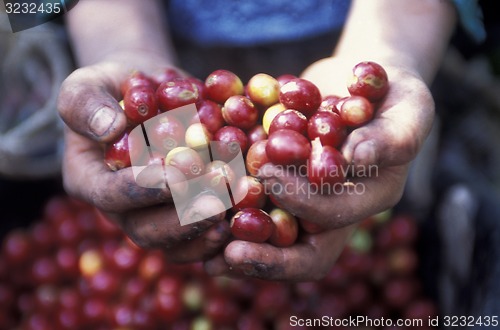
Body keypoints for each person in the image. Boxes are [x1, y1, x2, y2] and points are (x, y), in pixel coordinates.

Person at [57, 0, 474, 281]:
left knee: (369, 186)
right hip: (166, 41)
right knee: (195, 214)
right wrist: (119, 43)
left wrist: (393, 46)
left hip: (370, 32)